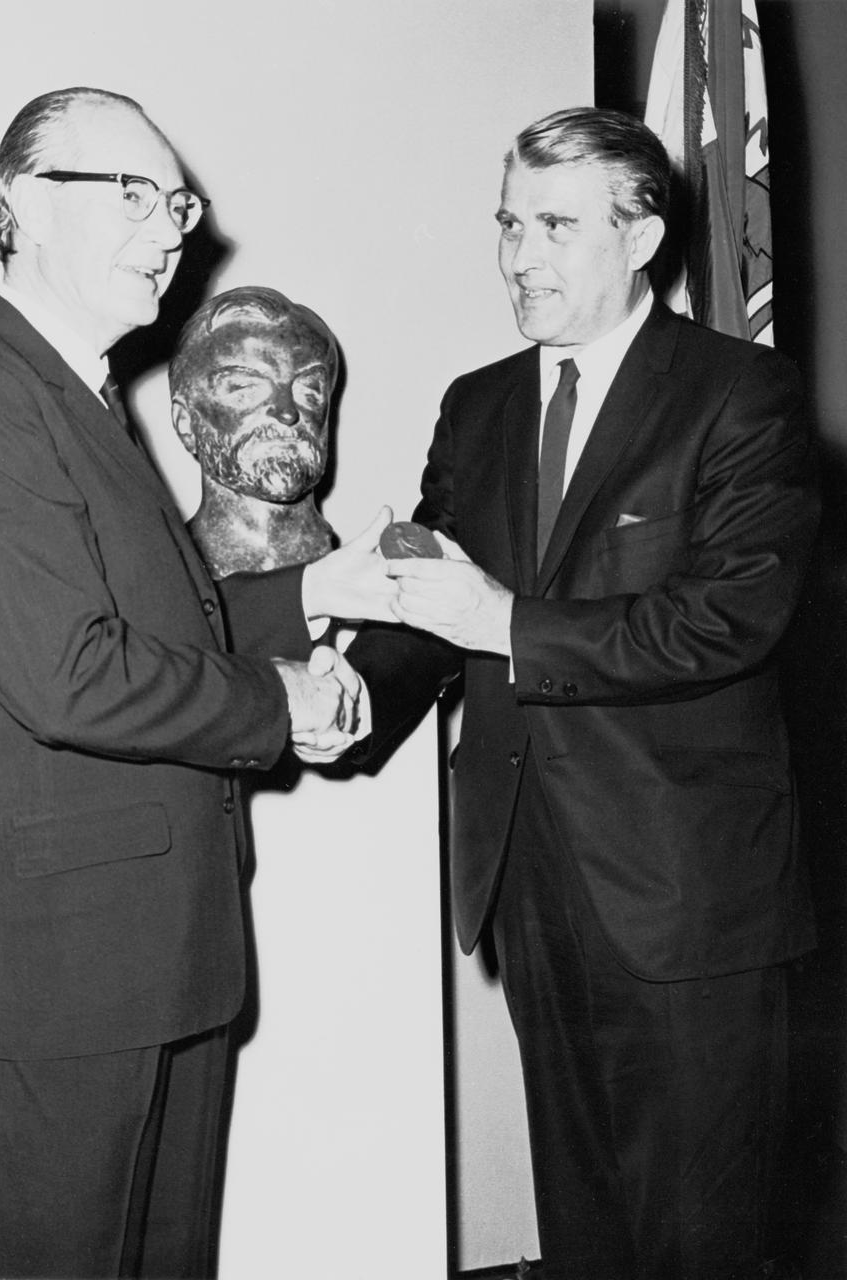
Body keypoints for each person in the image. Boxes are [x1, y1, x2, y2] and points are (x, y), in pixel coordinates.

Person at [0, 86, 370, 1279]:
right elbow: (70, 672)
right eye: (134, 195)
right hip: (51, 981)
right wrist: (279, 703)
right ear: (19, 202)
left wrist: (316, 595)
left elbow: (162, 624)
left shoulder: (82, 400)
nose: (170, 231)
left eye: (180, 203)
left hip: (151, 959)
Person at [340, 107, 819, 1280]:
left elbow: (725, 617)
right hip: (528, 875)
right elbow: (435, 608)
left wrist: (504, 620)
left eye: (555, 226)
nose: (519, 256)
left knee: (697, 1240)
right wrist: (335, 696)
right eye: (509, 223)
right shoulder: (480, 402)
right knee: (582, 1225)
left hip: (684, 894)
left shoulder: (740, 394)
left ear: (641, 236)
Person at [170, 285, 339, 578]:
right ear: (186, 422)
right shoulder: (165, 578)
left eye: (308, 389)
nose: (287, 412)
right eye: (245, 388)